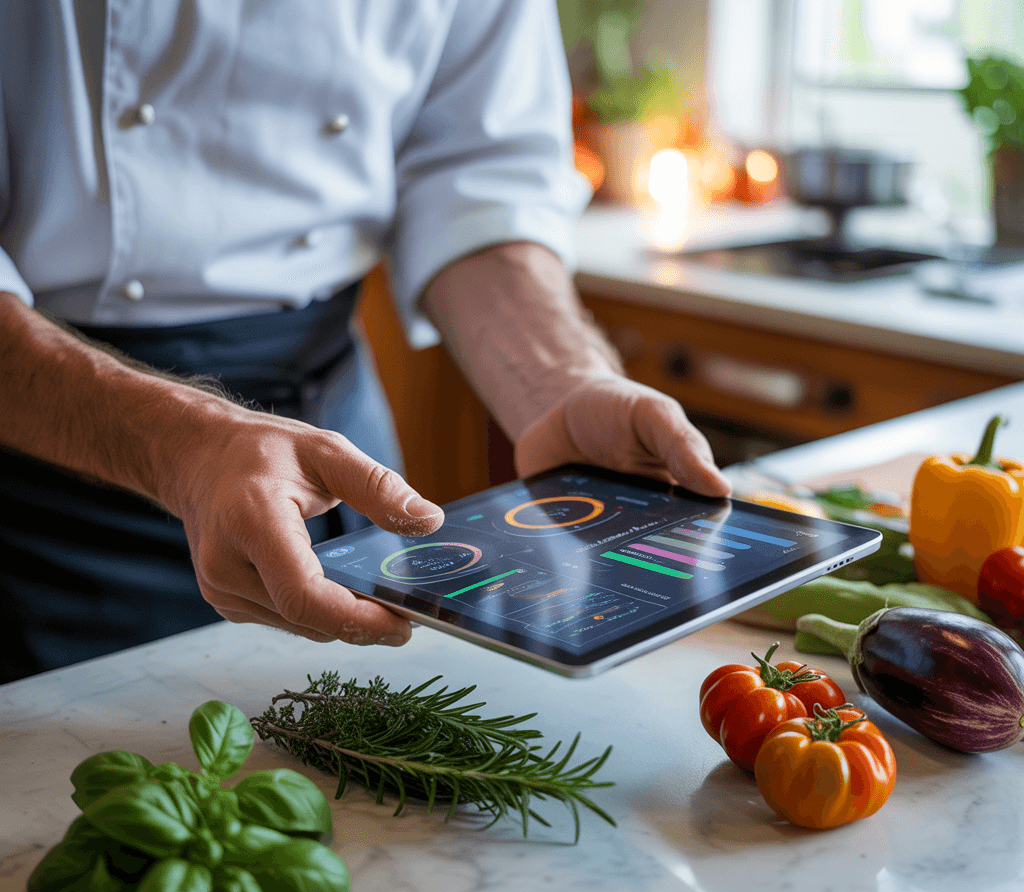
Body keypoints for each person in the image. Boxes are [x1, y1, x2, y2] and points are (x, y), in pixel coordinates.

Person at [0, 0, 730, 684]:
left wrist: (560, 383)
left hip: (333, 433)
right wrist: (184, 450)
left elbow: (478, 180)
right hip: (47, 455)